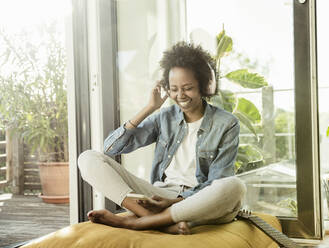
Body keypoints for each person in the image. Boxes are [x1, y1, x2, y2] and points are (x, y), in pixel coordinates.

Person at [78, 41, 246, 235]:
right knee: (88, 158)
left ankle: (137, 222)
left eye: (188, 88)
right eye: (173, 88)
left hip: (196, 200)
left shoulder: (226, 123)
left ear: (204, 86)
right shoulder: (164, 118)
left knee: (234, 186)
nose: (180, 95)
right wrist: (150, 108)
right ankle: (153, 219)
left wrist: (175, 202)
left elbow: (218, 179)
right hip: (159, 196)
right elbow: (111, 149)